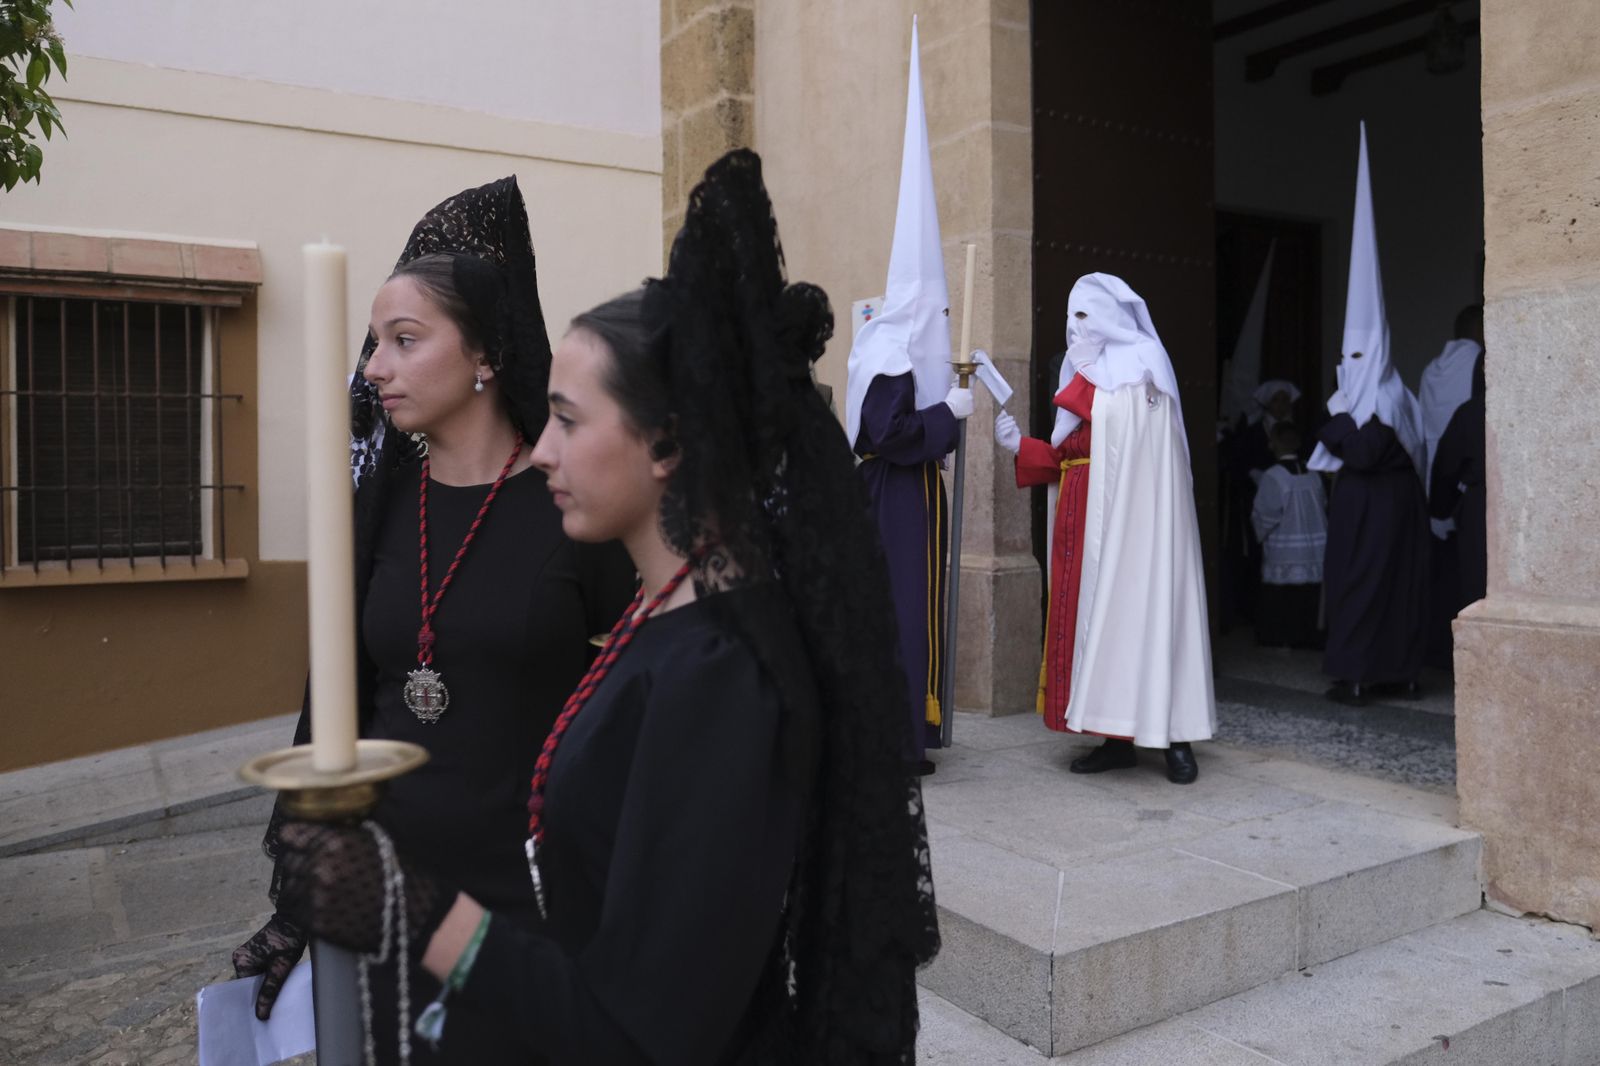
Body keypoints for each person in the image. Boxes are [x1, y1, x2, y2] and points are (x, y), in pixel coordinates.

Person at [272, 150, 939, 1065]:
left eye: (568, 420)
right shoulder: (666, 616)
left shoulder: (721, 680)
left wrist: (414, 913)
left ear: (666, 444)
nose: (543, 451)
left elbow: (638, 1031)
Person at [231, 178, 634, 1063]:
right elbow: (351, 697)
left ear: (485, 353)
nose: (373, 367)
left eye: (404, 341)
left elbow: (632, 701)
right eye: (374, 342)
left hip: (527, 909)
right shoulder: (379, 505)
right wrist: (306, 898)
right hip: (388, 897)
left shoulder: (572, 506)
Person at [995, 273, 1215, 784]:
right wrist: (1021, 447)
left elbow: (1147, 447)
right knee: (1097, 619)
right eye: (1071, 317)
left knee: (1152, 612)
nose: (1075, 329)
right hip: (1088, 518)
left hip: (1143, 522)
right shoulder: (1078, 370)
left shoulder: (1145, 363)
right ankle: (1112, 737)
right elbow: (1073, 452)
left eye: (1085, 316)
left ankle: (1173, 737)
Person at [845, 14, 971, 774]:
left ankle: (903, 728)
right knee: (902, 609)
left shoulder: (888, 344)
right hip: (900, 487)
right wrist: (943, 416)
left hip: (904, 487)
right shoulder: (891, 350)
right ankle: (899, 733)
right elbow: (887, 430)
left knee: (905, 608)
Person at [1310, 122, 1430, 707]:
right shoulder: (1376, 396)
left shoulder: (1387, 397)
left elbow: (1358, 450)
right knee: (1363, 586)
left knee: (1378, 587)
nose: (1348, 366)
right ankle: (1377, 670)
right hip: (1370, 502)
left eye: (1359, 356)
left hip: (1380, 506)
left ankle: (1369, 673)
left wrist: (1330, 419)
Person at [1418, 304, 1485, 666]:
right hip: (1470, 474)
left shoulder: (1432, 368)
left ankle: (1441, 651)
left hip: (1441, 469)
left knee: (1449, 573)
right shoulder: (1478, 360)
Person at [1250, 421, 1327, 650]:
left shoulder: (1273, 476)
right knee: (1310, 595)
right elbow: (1323, 504)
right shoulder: (1313, 473)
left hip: (1286, 548)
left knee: (1285, 597)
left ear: (1273, 443)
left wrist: (1258, 529)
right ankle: (1312, 636)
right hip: (1315, 546)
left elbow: (1266, 514)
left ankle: (1283, 637)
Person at [1429, 348, 1486, 613]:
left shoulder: (1471, 412)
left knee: (1477, 589)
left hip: (1481, 511)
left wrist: (1443, 508)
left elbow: (1446, 467)